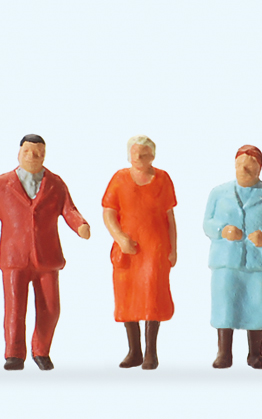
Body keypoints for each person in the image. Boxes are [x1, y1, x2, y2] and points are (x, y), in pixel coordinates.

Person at [0, 134, 90, 371]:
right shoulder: (1, 184)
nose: (32, 156)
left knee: (51, 308)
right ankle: (14, 354)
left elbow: (69, 209)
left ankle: (41, 350)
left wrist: (80, 225)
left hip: (47, 258)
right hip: (14, 258)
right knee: (15, 309)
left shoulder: (55, 183)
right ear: (18, 153)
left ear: (45, 155)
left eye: (38, 153)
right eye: (27, 151)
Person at [203, 145, 262, 369]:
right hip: (226, 261)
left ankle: (255, 353)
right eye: (240, 165)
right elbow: (207, 223)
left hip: (257, 262)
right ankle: (224, 353)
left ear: (259, 169)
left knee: (258, 304)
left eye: (249, 167)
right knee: (225, 305)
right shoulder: (219, 193)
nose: (243, 170)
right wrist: (223, 230)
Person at [102, 135, 177, 370]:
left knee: (152, 296)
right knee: (128, 298)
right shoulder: (119, 178)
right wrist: (120, 238)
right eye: (135, 154)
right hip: (128, 250)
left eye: (144, 155)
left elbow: (169, 217)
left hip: (155, 249)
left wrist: (173, 248)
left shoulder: (163, 179)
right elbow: (108, 212)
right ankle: (134, 350)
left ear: (152, 156)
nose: (138, 158)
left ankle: (151, 352)